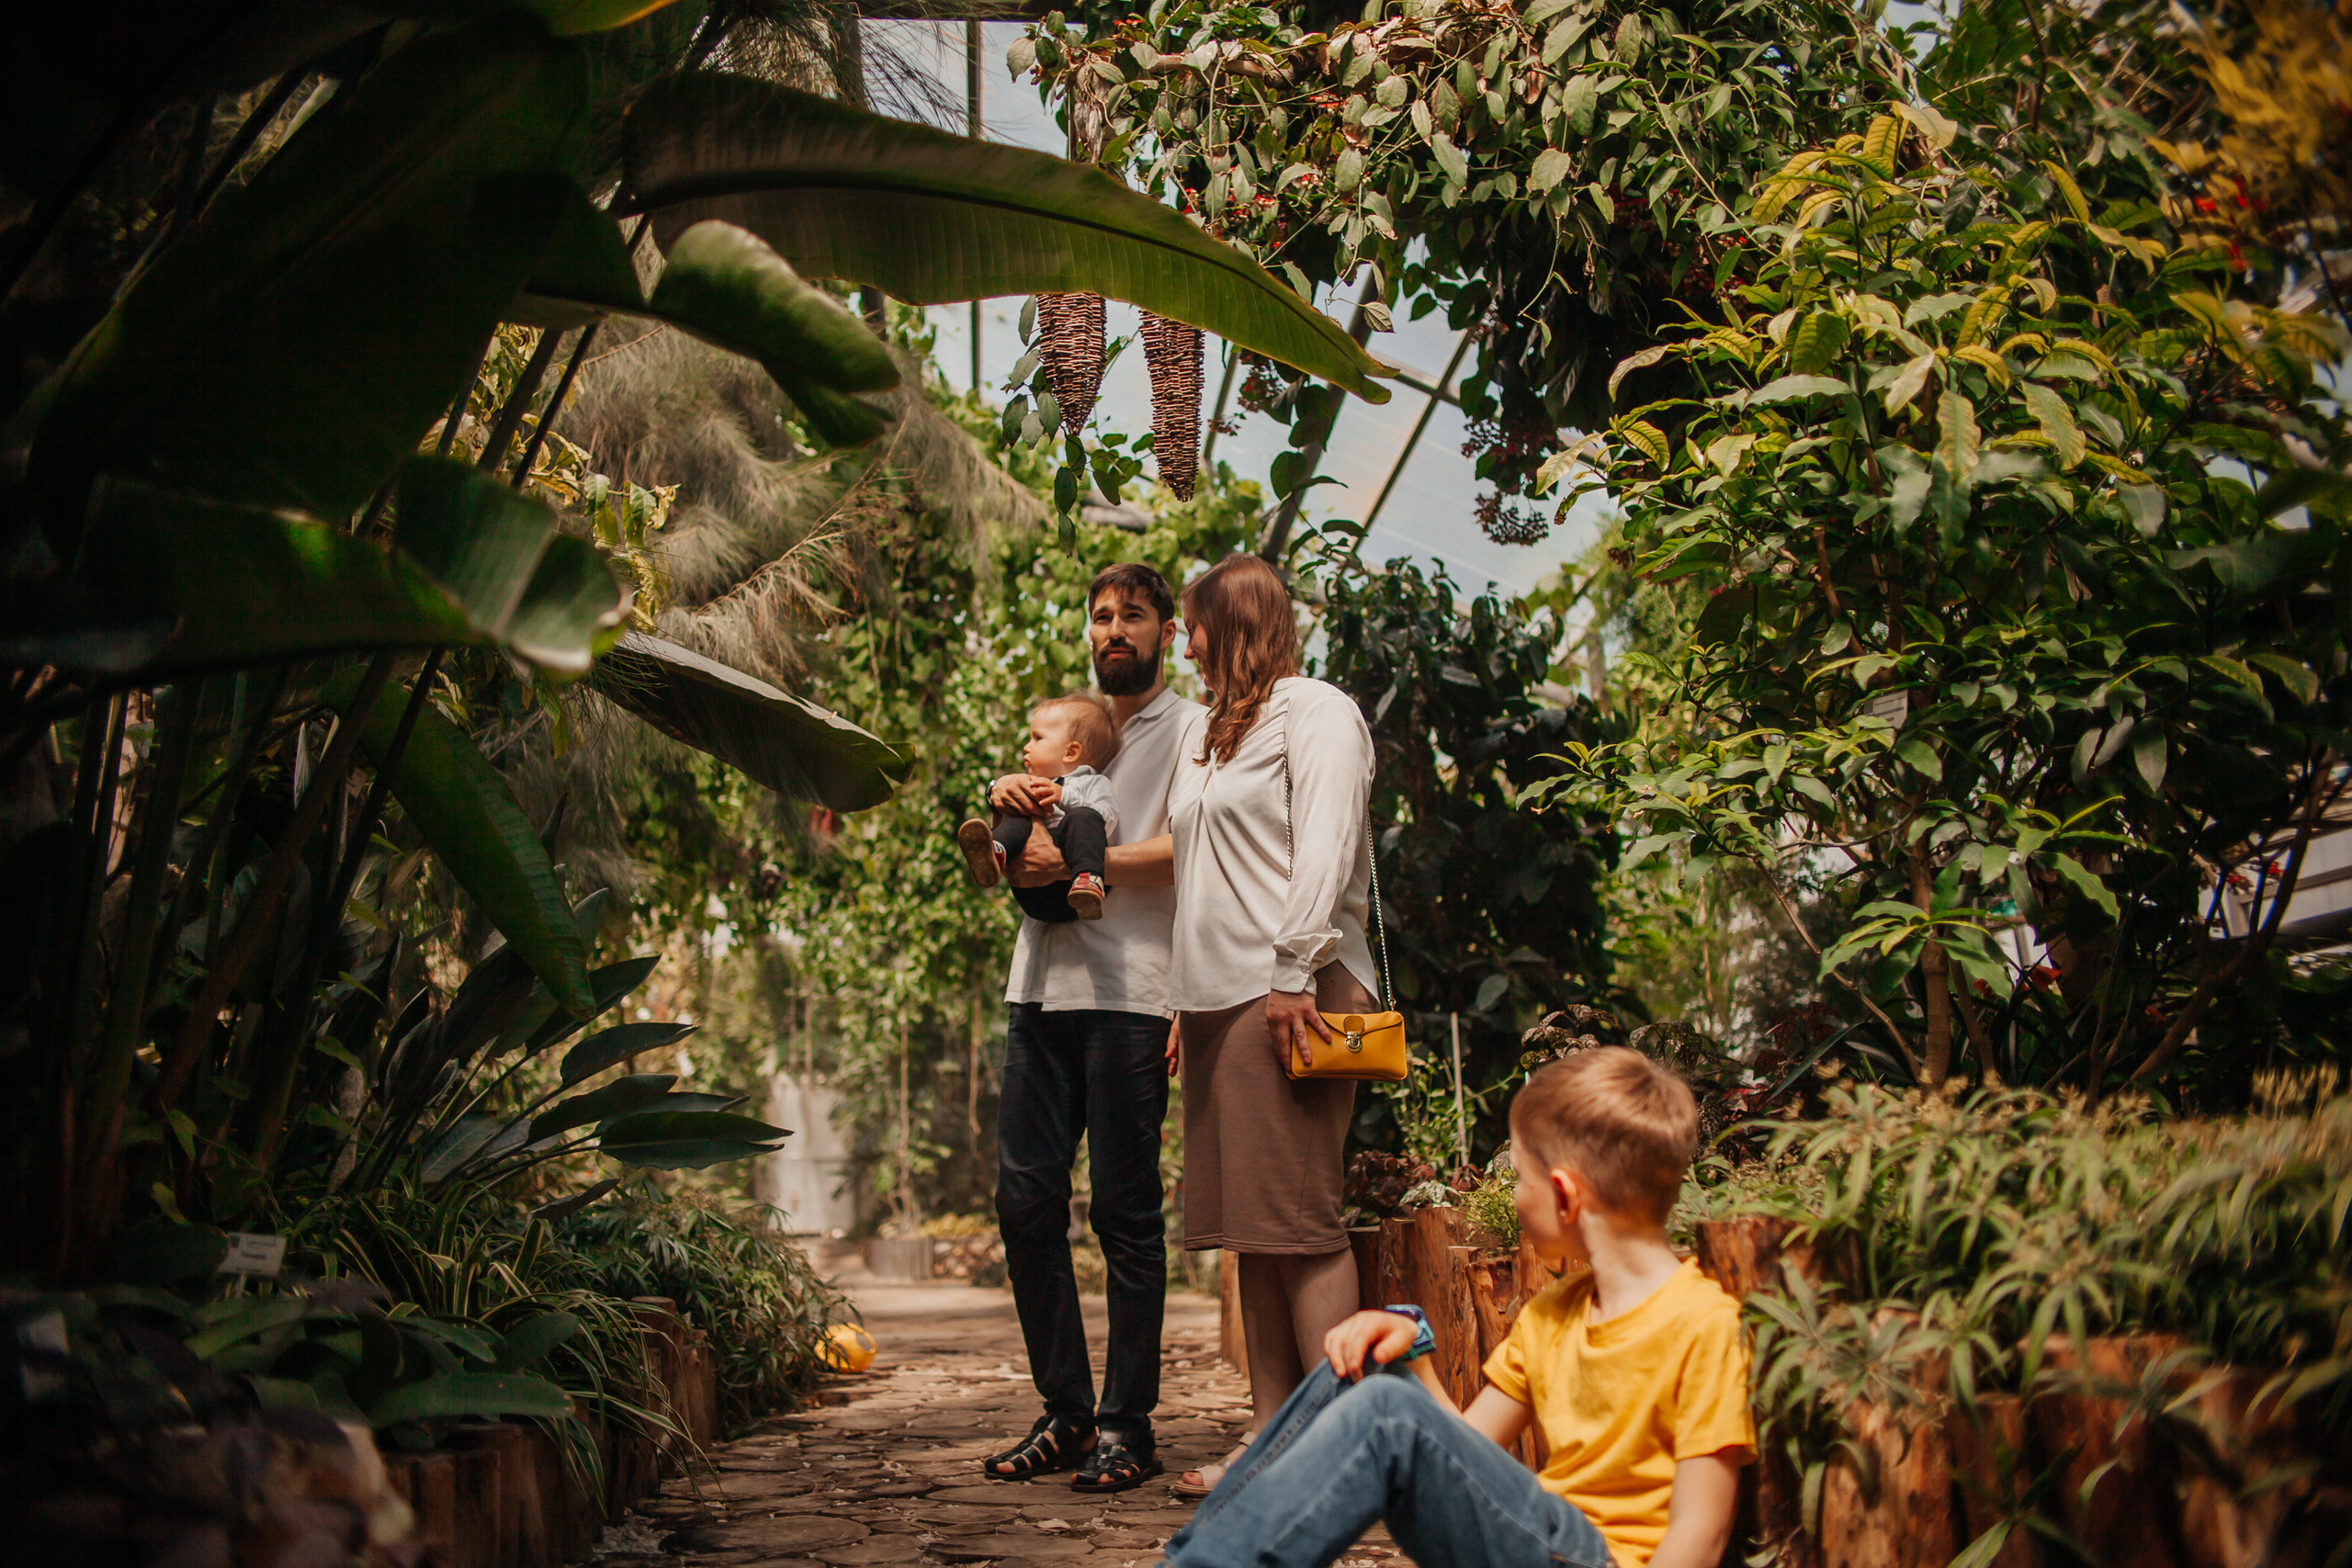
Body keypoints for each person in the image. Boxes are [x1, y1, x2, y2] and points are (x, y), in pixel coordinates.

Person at [1161, 1047, 1754, 1568]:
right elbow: (1464, 1445)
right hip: (1537, 1538)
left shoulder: (1702, 1323)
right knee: (1361, 1373)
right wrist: (1408, 1351)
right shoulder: (1554, 1312)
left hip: (1595, 1557)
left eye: (1520, 1178)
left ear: (1566, 1196)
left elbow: (1701, 1533)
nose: (1513, 1196)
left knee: (1388, 1412)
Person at [980, 563, 1207, 1495]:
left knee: (1123, 1213)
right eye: (1101, 615)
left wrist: (1082, 859)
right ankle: (1067, 1413)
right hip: (1037, 995)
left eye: (1134, 615)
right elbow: (995, 856)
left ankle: (1128, 1424)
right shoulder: (1065, 728)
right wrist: (1007, 821)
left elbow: (1195, 848)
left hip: (1129, 994)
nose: (1115, 628)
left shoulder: (1189, 728)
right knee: (1024, 1203)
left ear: (1164, 632)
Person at [1163, 553, 1379, 1497]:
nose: (1182, 639)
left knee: (1300, 1219)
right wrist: (1183, 999)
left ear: (1234, 619)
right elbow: (1199, 874)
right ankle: (1271, 1440)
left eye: (1192, 622)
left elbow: (1326, 847)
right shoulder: (1211, 732)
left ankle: (1339, 1452)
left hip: (1295, 991)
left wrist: (1294, 970)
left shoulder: (1316, 711)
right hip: (1220, 1002)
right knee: (1255, 1231)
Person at [956, 692, 1121, 921]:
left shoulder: (1093, 783)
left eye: (1037, 738)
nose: (1027, 746)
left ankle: (1089, 880)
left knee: (1084, 817)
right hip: (1032, 892)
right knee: (1019, 819)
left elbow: (1107, 817)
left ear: (1071, 752)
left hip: (1070, 888)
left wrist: (1064, 796)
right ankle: (994, 853)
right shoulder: (1035, 784)